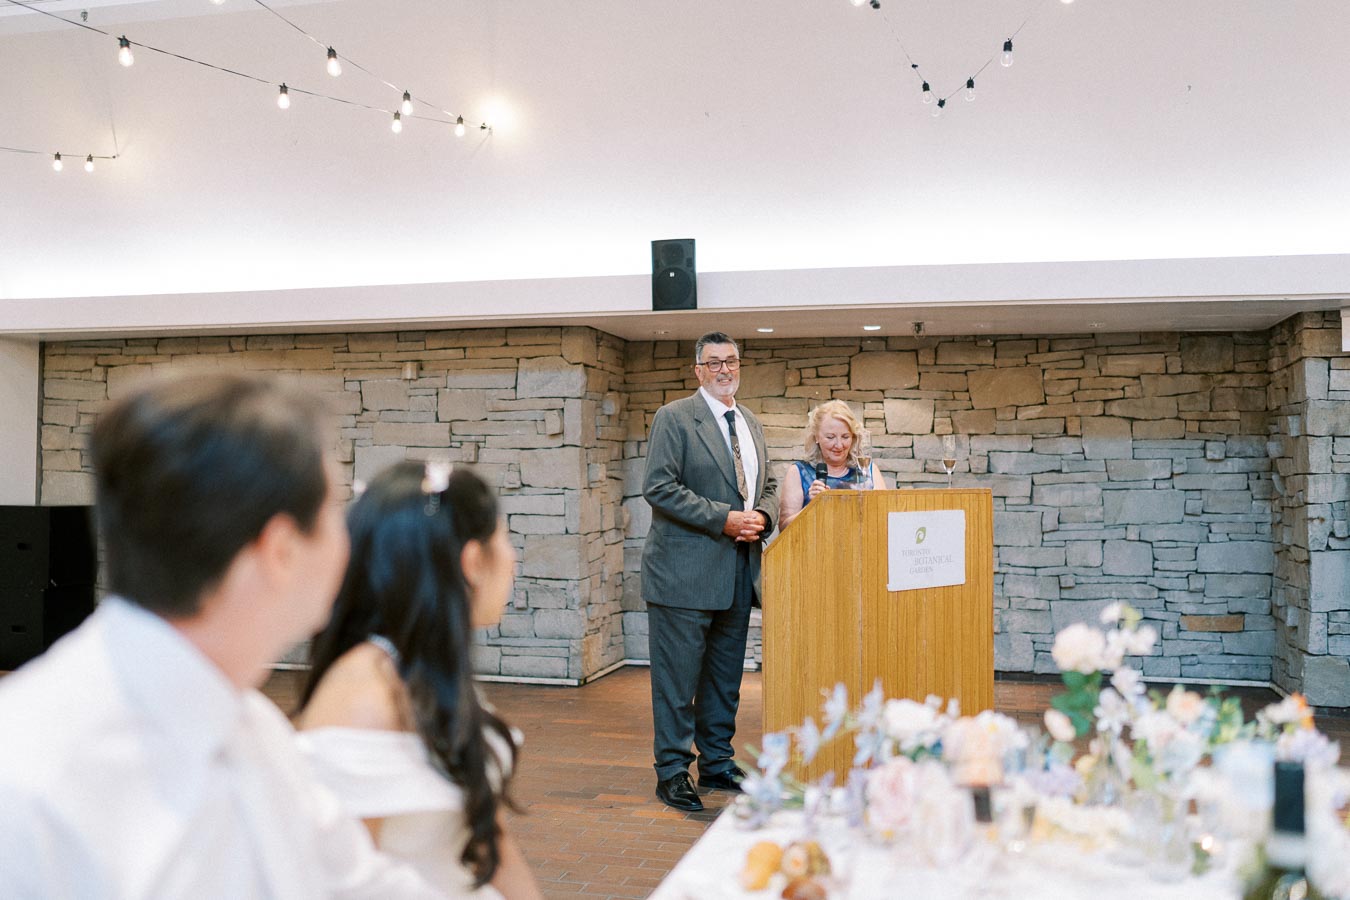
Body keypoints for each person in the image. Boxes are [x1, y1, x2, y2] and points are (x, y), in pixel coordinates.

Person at [0, 373, 445, 898]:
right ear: (280, 550)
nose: (348, 543)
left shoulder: (253, 727)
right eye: (333, 513)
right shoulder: (32, 782)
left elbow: (360, 884)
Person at [296, 461, 543, 900]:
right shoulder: (363, 701)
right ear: (471, 561)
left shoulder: (420, 670)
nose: (513, 558)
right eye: (504, 540)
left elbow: (492, 843)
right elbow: (336, 885)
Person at [641, 331, 780, 812]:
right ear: (698, 370)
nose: (725, 369)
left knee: (724, 680)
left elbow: (770, 482)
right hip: (682, 576)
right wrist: (724, 519)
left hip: (739, 573)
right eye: (715, 362)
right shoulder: (674, 418)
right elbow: (658, 487)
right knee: (677, 682)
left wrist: (762, 517)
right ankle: (673, 771)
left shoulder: (751, 422)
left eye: (732, 361)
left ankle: (717, 763)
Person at [778, 399, 888, 528]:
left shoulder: (868, 470)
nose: (839, 445)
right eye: (830, 437)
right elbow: (784, 529)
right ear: (816, 437)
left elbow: (885, 518)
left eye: (845, 437)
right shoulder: (799, 471)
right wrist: (811, 506)